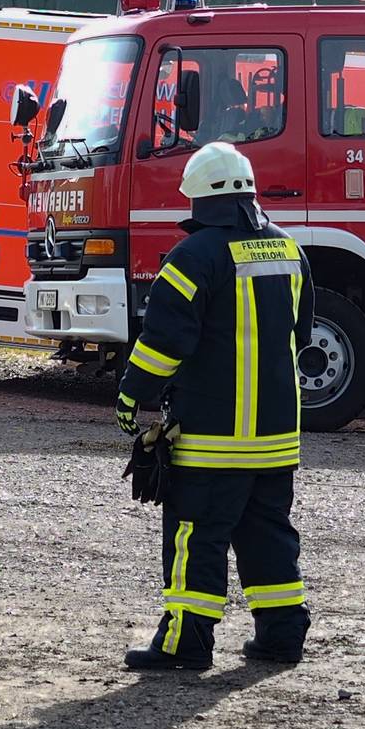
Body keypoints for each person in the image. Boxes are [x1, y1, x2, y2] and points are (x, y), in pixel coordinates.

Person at [115, 142, 312, 672]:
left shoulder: (193, 257)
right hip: (276, 438)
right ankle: (283, 634)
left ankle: (186, 642)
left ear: (198, 197)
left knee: (196, 536)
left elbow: (163, 345)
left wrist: (133, 396)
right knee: (267, 535)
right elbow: (301, 332)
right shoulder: (290, 251)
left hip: (211, 438)